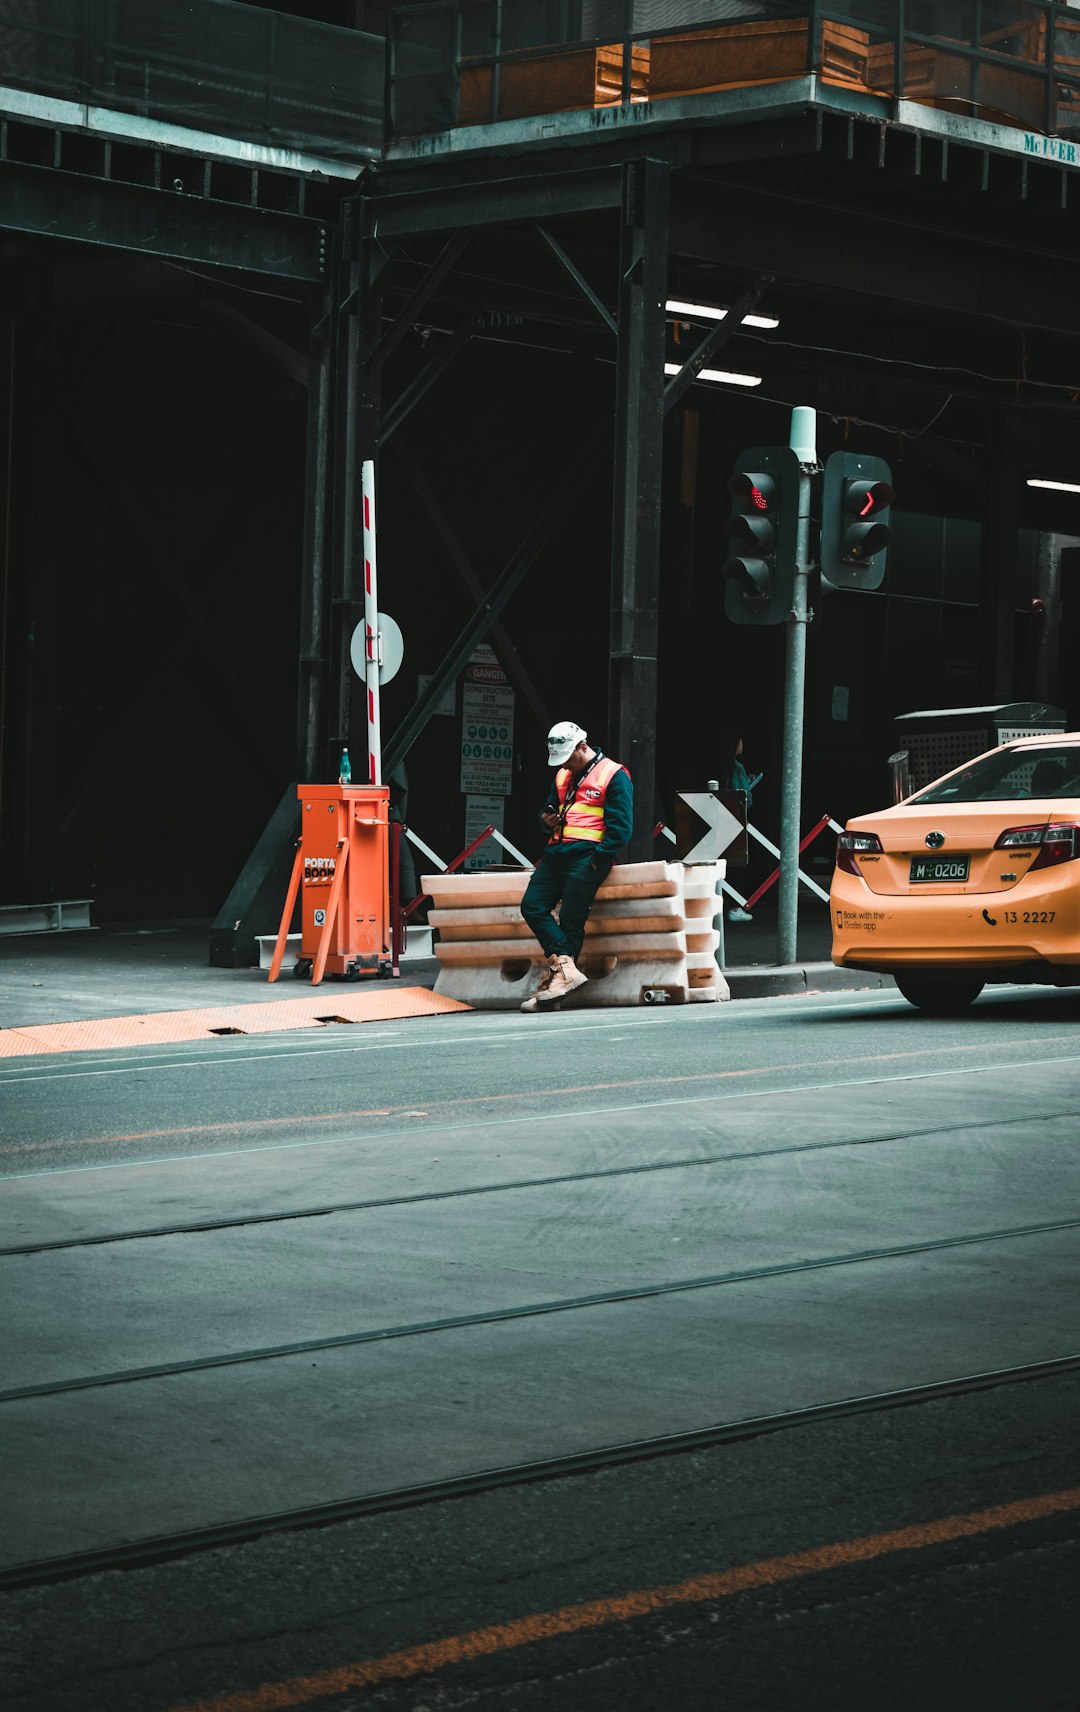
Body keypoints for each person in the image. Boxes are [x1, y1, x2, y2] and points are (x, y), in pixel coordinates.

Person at [519, 721, 633, 1011]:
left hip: (588, 857)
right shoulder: (562, 775)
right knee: (532, 905)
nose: (566, 765)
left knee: (571, 918)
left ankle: (555, 987)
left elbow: (621, 828)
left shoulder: (613, 774)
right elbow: (548, 809)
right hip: (557, 853)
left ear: (583, 747)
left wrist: (598, 859)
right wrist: (546, 821)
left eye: (569, 758)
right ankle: (565, 971)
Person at [719, 733, 762, 924]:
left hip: (716, 820)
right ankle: (735, 907)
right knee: (737, 864)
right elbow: (744, 798)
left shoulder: (720, 765)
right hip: (734, 821)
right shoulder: (737, 768)